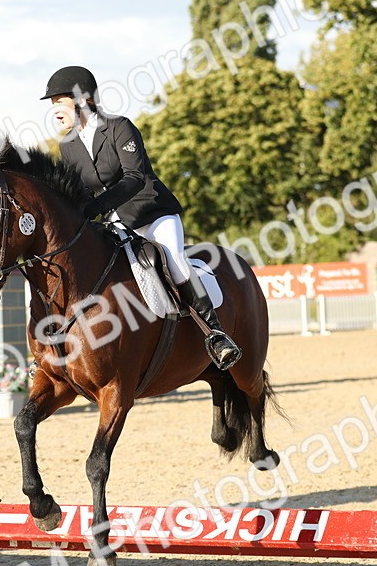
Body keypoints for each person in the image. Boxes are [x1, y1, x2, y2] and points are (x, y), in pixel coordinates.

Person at [41, 65, 241, 370]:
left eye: (60, 101)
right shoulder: (68, 146)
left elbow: (135, 177)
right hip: (114, 223)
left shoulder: (119, 127)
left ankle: (215, 334)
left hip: (152, 213)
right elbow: (81, 192)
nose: (55, 110)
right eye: (53, 104)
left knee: (174, 260)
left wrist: (98, 206)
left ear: (82, 99)